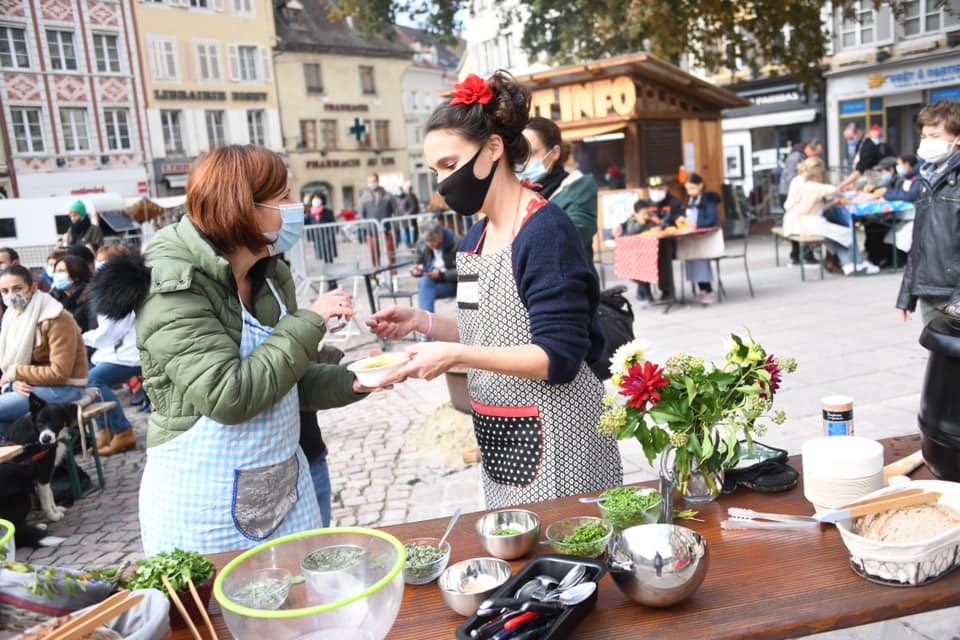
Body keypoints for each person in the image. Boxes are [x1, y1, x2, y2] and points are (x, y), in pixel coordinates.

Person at [367, 72, 622, 509]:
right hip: (503, 438)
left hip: (561, 439)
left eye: (450, 165)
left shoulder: (544, 233)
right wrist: (423, 323)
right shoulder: (477, 237)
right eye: (434, 172)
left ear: (493, 149)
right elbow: (485, 329)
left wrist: (455, 357)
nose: (442, 183)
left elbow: (556, 356)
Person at [120, 145, 386, 555]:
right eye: (282, 199)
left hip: (285, 489)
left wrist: (359, 379)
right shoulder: (173, 285)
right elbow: (230, 395)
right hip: (203, 500)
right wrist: (311, 320)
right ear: (242, 208)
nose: (295, 208)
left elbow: (284, 380)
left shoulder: (270, 270)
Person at [0, 266, 86, 437]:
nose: (11, 295)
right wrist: (13, 382)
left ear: (33, 288)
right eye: (5, 290)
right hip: (33, 387)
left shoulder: (56, 318)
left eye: (17, 288)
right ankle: (20, 459)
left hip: (65, 387)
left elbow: (60, 373)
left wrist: (15, 373)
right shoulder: (13, 316)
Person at [897, 99, 960, 326]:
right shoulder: (927, 179)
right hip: (929, 291)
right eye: (924, 137)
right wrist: (908, 293)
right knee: (939, 359)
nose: (926, 143)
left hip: (954, 293)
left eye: (935, 136)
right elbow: (919, 241)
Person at [83, 246, 141, 456]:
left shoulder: (119, 288)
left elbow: (110, 332)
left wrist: (81, 338)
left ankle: (122, 429)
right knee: (86, 378)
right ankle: (104, 428)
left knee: (92, 380)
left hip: (130, 354)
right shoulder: (117, 286)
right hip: (121, 351)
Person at [521, 117, 599, 270]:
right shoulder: (520, 192)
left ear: (555, 152)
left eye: (532, 153)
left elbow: (568, 237)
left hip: (570, 285)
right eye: (519, 155)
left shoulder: (579, 188)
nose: (524, 162)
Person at [783, 158, 874, 276]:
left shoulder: (799, 182)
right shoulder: (815, 186)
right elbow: (836, 191)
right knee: (846, 233)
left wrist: (833, 202)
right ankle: (860, 263)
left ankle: (848, 265)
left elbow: (810, 207)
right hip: (808, 224)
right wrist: (848, 193)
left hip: (794, 223)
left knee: (836, 235)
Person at [681, 174, 720, 303]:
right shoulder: (691, 200)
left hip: (705, 238)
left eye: (693, 188)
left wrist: (696, 225)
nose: (690, 192)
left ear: (701, 185)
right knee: (692, 261)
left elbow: (712, 220)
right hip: (692, 237)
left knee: (701, 263)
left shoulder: (708, 200)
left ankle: (709, 290)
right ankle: (701, 289)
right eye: (688, 189)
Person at [612, 198, 658, 305]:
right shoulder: (632, 220)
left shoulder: (651, 218)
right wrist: (641, 222)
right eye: (643, 213)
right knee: (641, 275)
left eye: (647, 212)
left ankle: (642, 294)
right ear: (636, 213)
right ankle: (646, 295)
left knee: (646, 274)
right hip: (634, 253)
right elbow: (632, 230)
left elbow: (655, 227)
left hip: (647, 251)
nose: (646, 215)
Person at [411, 219, 460, 315]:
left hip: (455, 284)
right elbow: (417, 262)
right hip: (433, 282)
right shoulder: (423, 242)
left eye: (432, 240)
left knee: (425, 288)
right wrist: (415, 270)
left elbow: (465, 271)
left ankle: (427, 323)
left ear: (441, 235)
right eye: (427, 241)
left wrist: (442, 275)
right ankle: (428, 323)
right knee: (424, 282)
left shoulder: (457, 242)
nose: (429, 244)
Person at [647, 175, 684, 300]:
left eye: (660, 188)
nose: (656, 191)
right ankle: (644, 291)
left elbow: (677, 221)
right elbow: (635, 217)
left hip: (670, 241)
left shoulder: (675, 202)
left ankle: (667, 291)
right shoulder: (647, 203)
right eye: (653, 188)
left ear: (666, 188)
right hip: (649, 241)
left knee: (663, 249)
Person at [839, 123, 893, 191]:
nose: (849, 142)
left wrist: (841, 185)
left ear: (858, 133)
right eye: (848, 140)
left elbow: (860, 170)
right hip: (868, 178)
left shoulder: (868, 146)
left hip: (876, 181)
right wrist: (851, 183)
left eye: (851, 138)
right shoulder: (860, 145)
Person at [51, 255, 97, 333]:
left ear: (76, 275)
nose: (56, 275)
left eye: (61, 271)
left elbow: (94, 329)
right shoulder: (53, 297)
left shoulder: (91, 297)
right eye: (55, 271)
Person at [359, 172, 397, 266]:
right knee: (374, 254)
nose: (372, 184)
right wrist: (365, 228)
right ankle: (376, 274)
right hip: (371, 232)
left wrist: (395, 227)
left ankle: (392, 273)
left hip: (386, 230)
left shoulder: (387, 195)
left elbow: (395, 210)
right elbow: (362, 214)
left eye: (374, 181)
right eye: (370, 182)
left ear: (378, 181)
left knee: (389, 252)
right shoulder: (364, 197)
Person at [304, 192, 337, 265]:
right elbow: (305, 222)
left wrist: (332, 234)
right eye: (314, 198)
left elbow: (333, 224)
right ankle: (325, 270)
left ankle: (330, 270)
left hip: (327, 237)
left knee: (328, 255)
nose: (316, 200)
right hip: (317, 237)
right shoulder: (310, 213)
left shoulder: (328, 212)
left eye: (318, 198)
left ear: (322, 200)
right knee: (320, 255)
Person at [779, 142, 806, 208]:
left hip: (785, 190)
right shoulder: (796, 156)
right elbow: (790, 174)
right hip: (788, 191)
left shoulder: (794, 155)